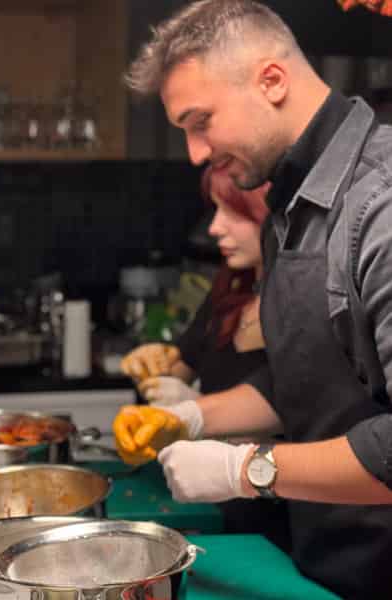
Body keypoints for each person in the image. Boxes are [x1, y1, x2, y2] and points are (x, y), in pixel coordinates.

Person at [113, 0, 392, 596]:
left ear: (271, 80)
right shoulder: (286, 207)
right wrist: (191, 417)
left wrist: (245, 470)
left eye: (200, 121)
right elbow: (311, 379)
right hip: (322, 564)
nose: (193, 151)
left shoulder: (380, 203)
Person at [121, 166, 291, 550]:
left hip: (285, 525)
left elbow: (291, 402)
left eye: (236, 214)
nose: (214, 228)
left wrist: (193, 412)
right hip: (221, 512)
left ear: (278, 217)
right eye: (215, 210)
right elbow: (180, 365)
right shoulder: (229, 292)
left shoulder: (300, 311)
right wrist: (155, 371)